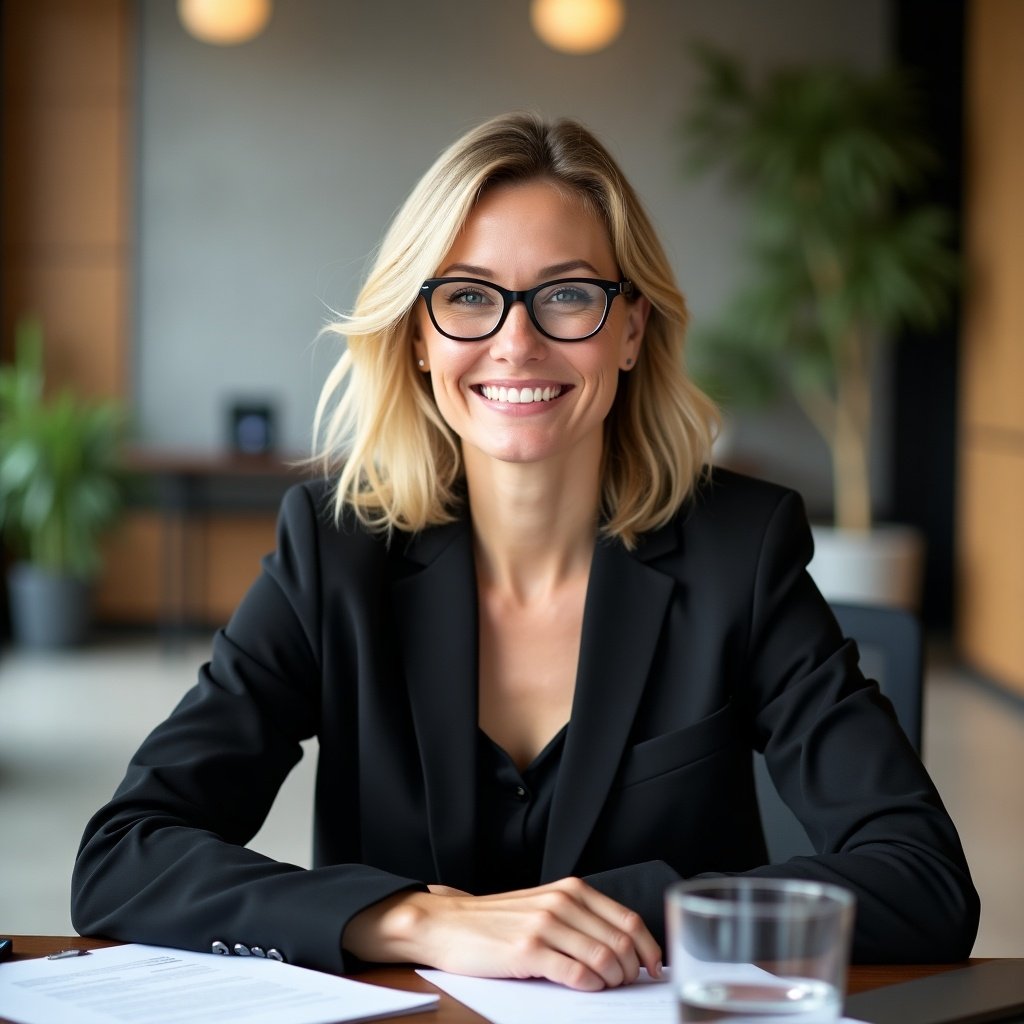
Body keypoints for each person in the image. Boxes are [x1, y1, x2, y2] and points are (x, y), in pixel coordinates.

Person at [72, 112, 979, 991]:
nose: (516, 341)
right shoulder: (334, 552)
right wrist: (418, 919)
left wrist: (615, 915)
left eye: (568, 295)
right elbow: (124, 858)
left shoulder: (738, 551)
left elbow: (923, 879)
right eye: (468, 295)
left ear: (630, 330)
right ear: (419, 338)